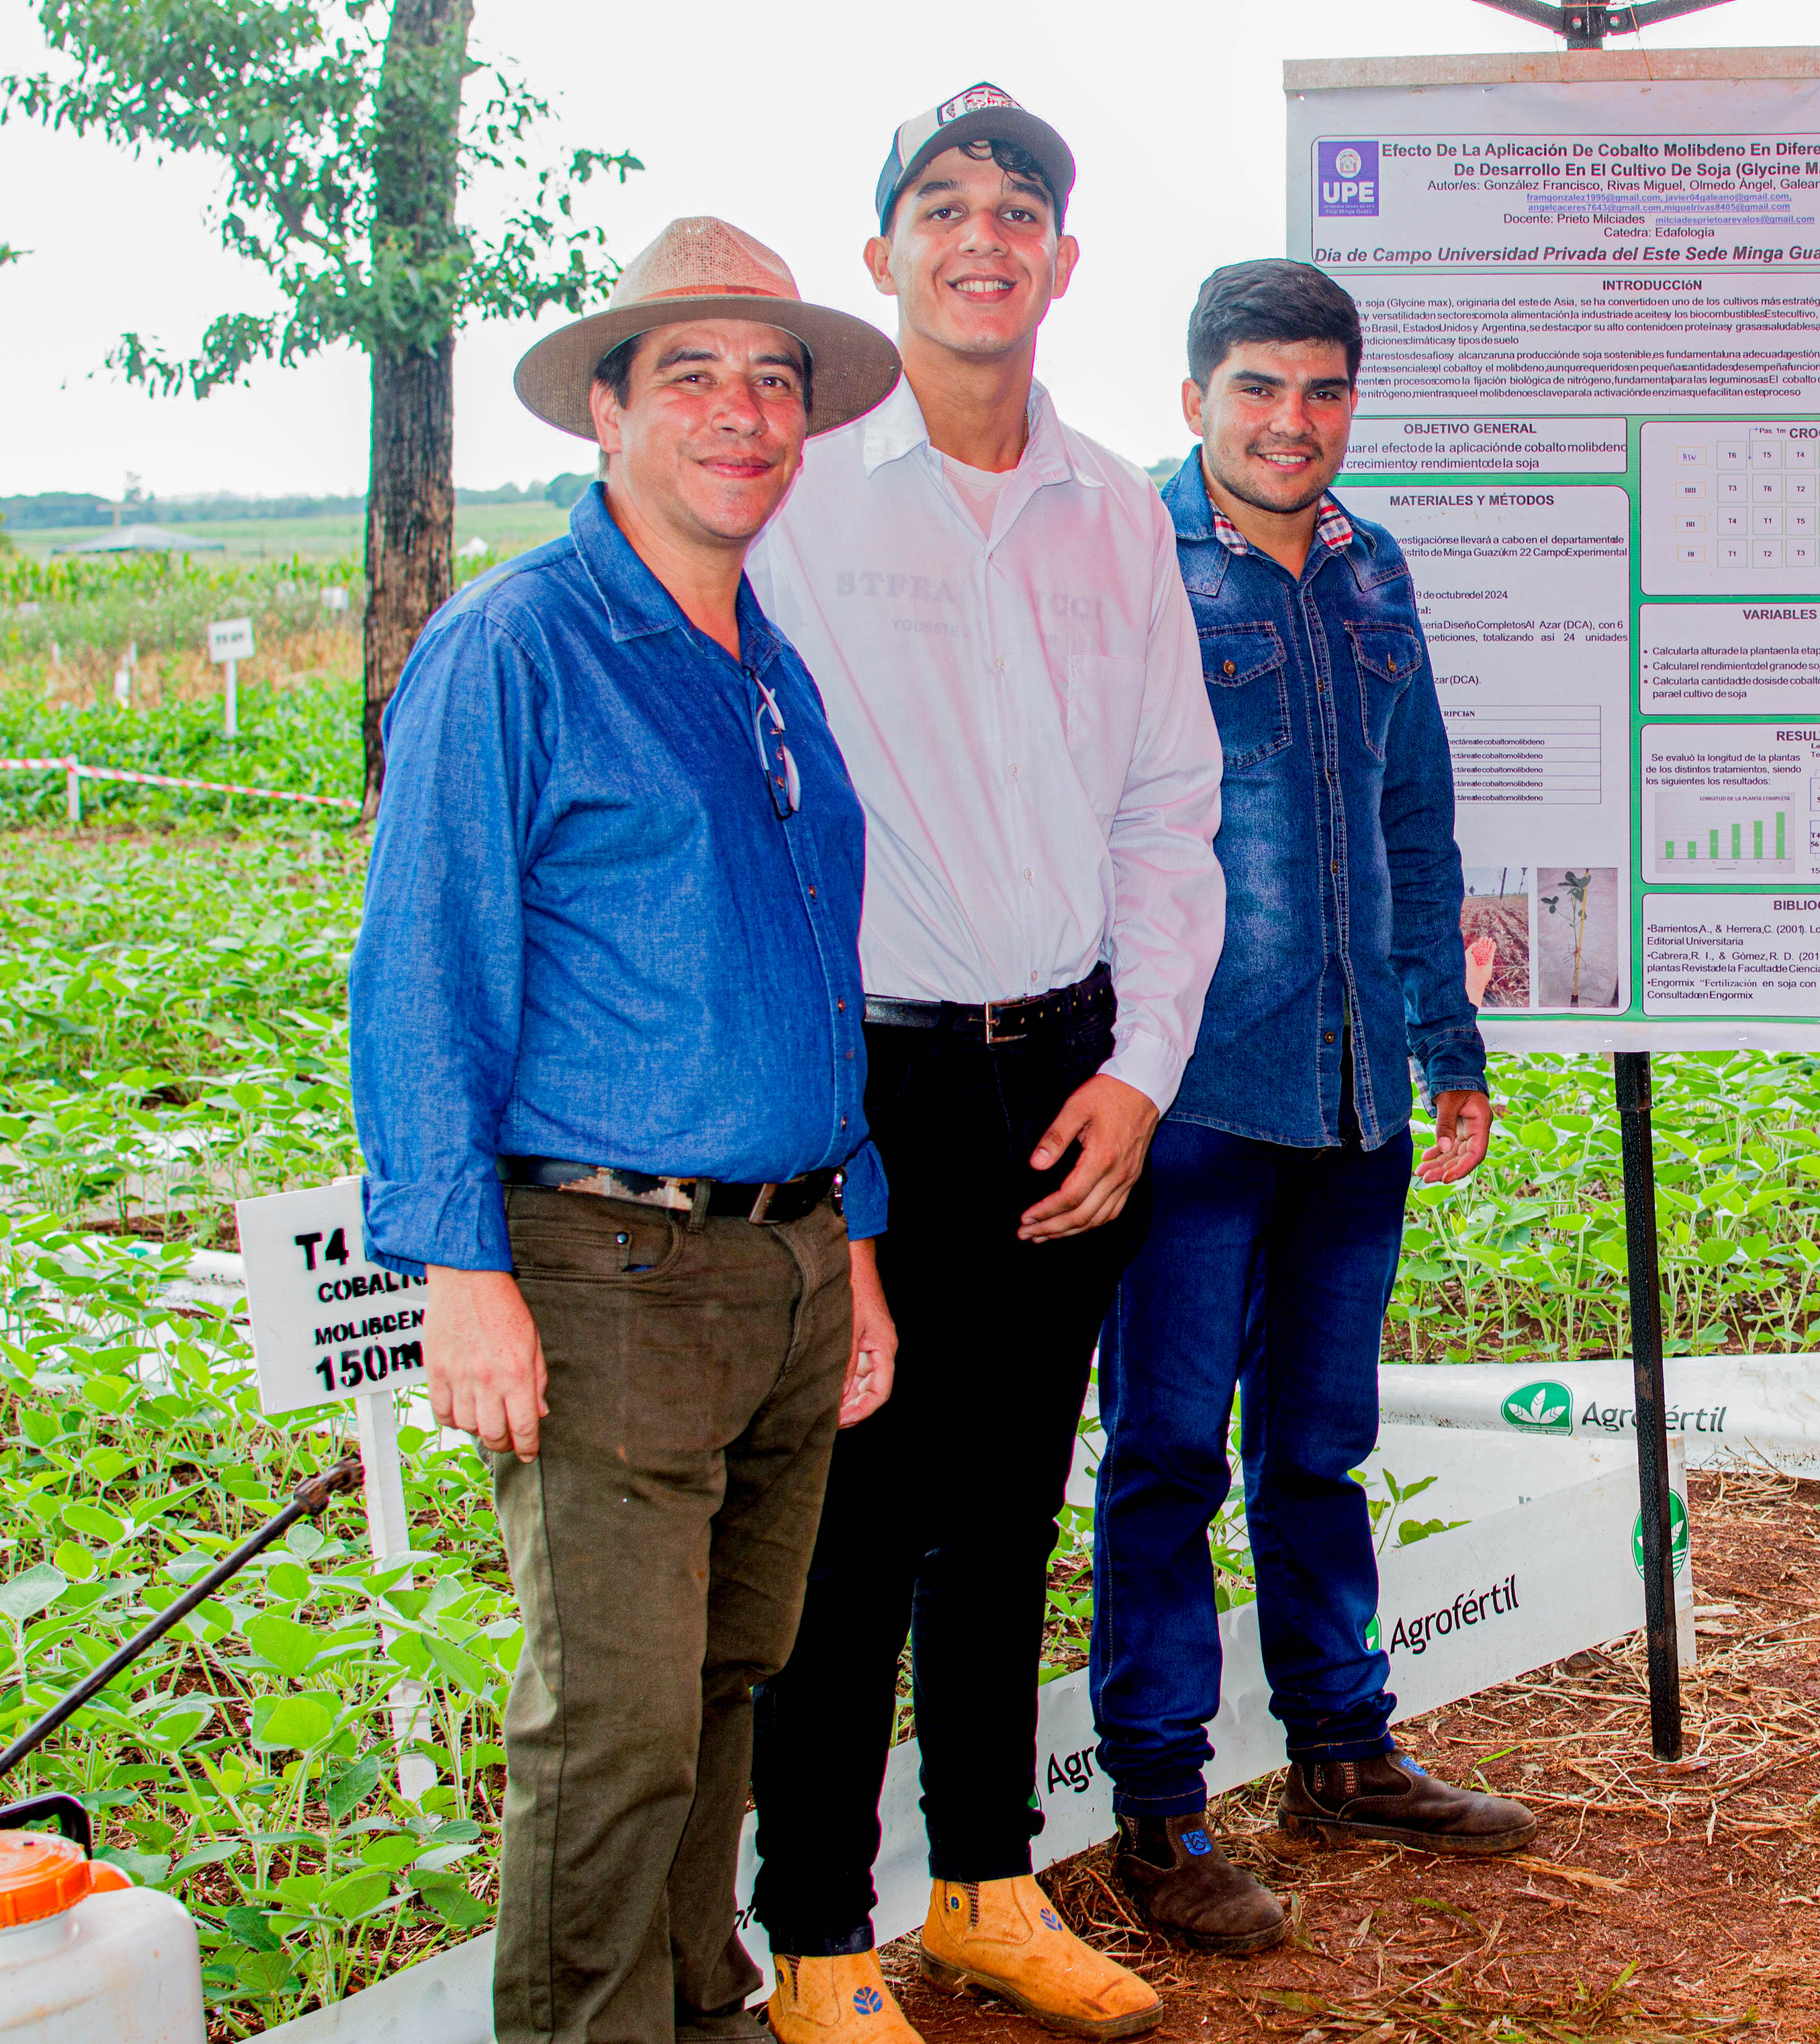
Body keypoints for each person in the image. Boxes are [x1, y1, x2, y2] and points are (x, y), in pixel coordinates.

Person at [350, 217, 903, 2044]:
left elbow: (819, 969)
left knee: (730, 1678)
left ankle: (694, 2005)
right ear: (607, 408)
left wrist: (861, 1245)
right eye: (693, 375)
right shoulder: (513, 648)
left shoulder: (771, 665)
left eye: (773, 379)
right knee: (613, 1726)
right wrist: (458, 1269)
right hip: (608, 1268)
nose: (743, 414)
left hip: (793, 1258)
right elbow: (423, 971)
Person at [738, 85, 1221, 2044]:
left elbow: (1169, 819)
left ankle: (986, 1889)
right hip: (865, 1088)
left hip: (1072, 1080)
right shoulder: (794, 497)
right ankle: (823, 1945)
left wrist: (1142, 1075)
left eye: (1020, 207)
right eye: (942, 206)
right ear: (882, 260)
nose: (983, 235)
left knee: (1007, 1508)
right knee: (847, 1527)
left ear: (1064, 262)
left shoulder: (1118, 506)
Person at [1085, 260, 1531, 1953]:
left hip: (1354, 1101)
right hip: (1188, 1094)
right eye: (1260, 388)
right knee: (1167, 1458)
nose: (1293, 423)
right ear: (1198, 392)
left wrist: (1452, 1051)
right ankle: (1161, 1810)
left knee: (1322, 1448)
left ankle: (1344, 1750)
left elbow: (1419, 829)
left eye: (1324, 392)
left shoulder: (1371, 564)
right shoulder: (1127, 558)